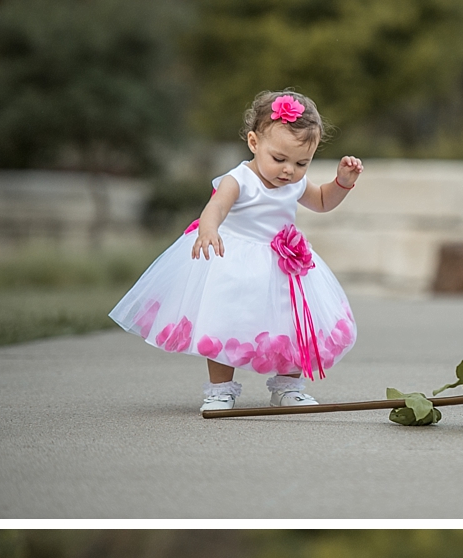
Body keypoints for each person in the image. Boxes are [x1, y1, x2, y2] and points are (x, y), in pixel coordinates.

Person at [108, 90, 363, 412]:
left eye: (302, 163)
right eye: (279, 159)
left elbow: (323, 202)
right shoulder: (239, 179)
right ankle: (220, 391)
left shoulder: (296, 183)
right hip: (234, 259)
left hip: (283, 264)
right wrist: (209, 229)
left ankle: (288, 387)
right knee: (223, 321)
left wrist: (342, 182)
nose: (289, 170)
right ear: (254, 143)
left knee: (291, 320)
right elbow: (215, 206)